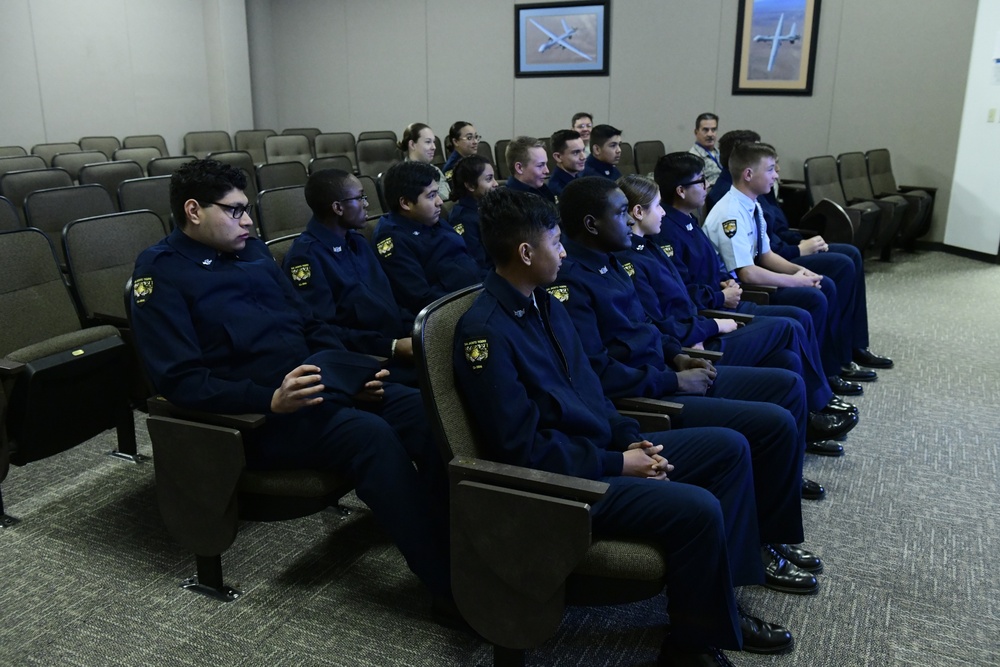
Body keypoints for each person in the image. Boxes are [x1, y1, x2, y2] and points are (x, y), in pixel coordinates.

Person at [455, 186, 794, 665]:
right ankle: (692, 646)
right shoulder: (485, 333)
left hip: (601, 451)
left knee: (728, 448)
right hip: (562, 484)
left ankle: (723, 602)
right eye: (556, 242)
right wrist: (619, 462)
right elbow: (519, 450)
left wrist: (630, 439)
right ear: (526, 252)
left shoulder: (543, 302)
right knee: (696, 508)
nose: (564, 250)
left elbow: (589, 390)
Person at [130, 159, 450, 603]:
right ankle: (448, 584)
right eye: (235, 210)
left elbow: (310, 324)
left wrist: (348, 376)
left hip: (318, 389)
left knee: (425, 413)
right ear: (193, 210)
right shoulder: (160, 273)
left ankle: (448, 536)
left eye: (247, 210)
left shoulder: (254, 252)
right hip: (258, 422)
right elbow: (181, 381)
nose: (247, 221)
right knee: (370, 436)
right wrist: (271, 399)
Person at [553, 176, 830, 586]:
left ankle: (772, 534)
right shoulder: (571, 283)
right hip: (646, 400)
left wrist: (678, 354)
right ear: (593, 224)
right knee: (770, 422)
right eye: (619, 213)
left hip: (672, 371)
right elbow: (600, 375)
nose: (630, 222)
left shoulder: (610, 260)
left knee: (785, 383)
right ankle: (760, 548)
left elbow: (646, 327)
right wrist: (673, 380)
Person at [614, 175, 848, 458]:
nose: (663, 212)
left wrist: (721, 288)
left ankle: (800, 438)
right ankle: (817, 409)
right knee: (789, 326)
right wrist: (711, 323)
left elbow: (685, 289)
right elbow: (663, 323)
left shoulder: (651, 245)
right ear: (638, 212)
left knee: (786, 360)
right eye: (657, 206)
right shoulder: (630, 261)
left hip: (699, 327)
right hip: (695, 340)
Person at [650, 152, 861, 426]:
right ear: (681, 191)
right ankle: (815, 406)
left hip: (727, 300)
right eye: (700, 181)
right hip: (712, 313)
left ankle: (811, 408)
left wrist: (725, 281)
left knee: (787, 353)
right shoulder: (668, 232)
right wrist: (721, 293)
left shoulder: (689, 222)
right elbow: (682, 291)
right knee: (795, 322)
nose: (707, 186)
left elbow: (716, 264)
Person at [703, 142, 863, 396]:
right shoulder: (729, 213)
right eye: (769, 169)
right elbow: (747, 273)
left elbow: (766, 255)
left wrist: (798, 272)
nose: (776, 174)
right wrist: (795, 282)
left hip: (752, 280)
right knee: (812, 299)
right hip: (740, 291)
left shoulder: (752, 203)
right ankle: (819, 385)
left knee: (822, 285)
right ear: (748, 174)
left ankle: (826, 371)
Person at [282, 168, 417, 385]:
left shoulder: (358, 242)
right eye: (360, 198)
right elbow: (324, 331)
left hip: (398, 347)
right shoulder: (305, 258)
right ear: (337, 207)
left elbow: (388, 302)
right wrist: (391, 346)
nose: (367, 204)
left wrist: (415, 327)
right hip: (369, 361)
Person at [372, 161, 482, 316]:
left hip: (477, 295)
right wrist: (477, 301)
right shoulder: (393, 238)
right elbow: (421, 300)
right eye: (431, 196)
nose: (439, 202)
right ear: (405, 203)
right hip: (453, 313)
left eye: (437, 193)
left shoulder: (431, 220)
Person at [448, 155, 499, 270]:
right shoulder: (463, 219)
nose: (496, 184)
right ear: (470, 185)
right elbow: (478, 264)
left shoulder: (488, 207)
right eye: (489, 179)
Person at [399, 122, 450, 200]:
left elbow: (448, 199)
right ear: (412, 144)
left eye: (433, 142)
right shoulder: (402, 175)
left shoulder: (435, 169)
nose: (434, 147)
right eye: (428, 142)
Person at [504, 135, 554, 201]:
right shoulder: (510, 201)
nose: (547, 171)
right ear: (519, 168)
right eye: (540, 165)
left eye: (545, 164)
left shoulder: (543, 190)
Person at [548, 128, 587, 197]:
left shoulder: (579, 177)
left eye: (583, 150)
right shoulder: (557, 189)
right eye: (576, 152)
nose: (583, 157)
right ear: (558, 157)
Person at [689, 112, 723, 189]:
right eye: (705, 130)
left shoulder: (720, 152)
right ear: (696, 132)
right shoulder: (693, 158)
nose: (710, 134)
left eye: (713, 130)